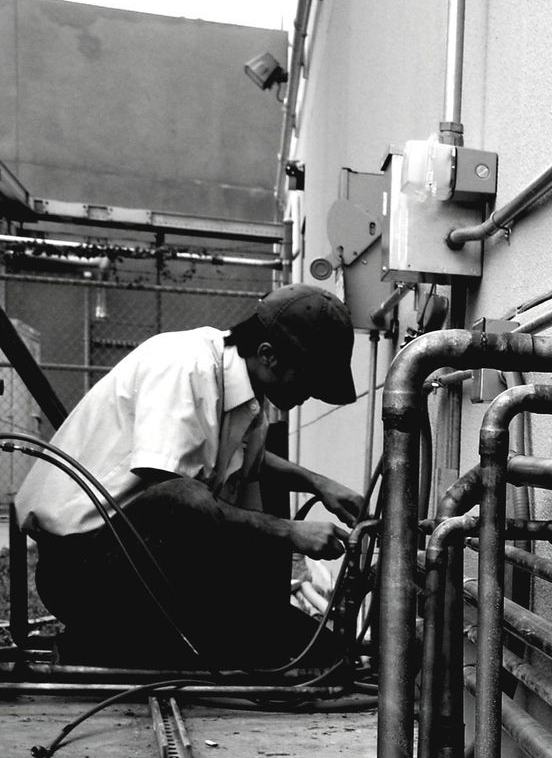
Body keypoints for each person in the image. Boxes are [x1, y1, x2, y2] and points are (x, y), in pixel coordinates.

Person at [14, 284, 366, 670]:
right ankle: (96, 643)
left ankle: (127, 643)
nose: (309, 395)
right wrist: (290, 531)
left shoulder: (247, 401)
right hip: (80, 571)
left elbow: (249, 458)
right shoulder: (184, 365)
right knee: (191, 502)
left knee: (312, 651)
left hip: (140, 560)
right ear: (268, 355)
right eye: (308, 380)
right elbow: (174, 499)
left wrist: (319, 483)